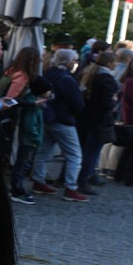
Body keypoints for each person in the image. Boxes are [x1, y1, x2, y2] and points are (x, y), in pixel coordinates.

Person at [30, 49, 88, 202]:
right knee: (75, 155)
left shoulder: (49, 73)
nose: (75, 63)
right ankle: (71, 188)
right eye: (74, 60)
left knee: (43, 151)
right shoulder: (66, 79)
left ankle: (38, 181)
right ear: (67, 62)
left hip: (48, 117)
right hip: (63, 120)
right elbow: (77, 103)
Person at [1, 46, 48, 204]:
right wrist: (32, 103)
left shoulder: (12, 70)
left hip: (6, 117)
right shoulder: (22, 76)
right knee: (21, 155)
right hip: (8, 118)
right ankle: (16, 189)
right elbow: (9, 99)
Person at [75, 50, 118, 195]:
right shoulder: (106, 79)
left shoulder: (90, 73)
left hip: (85, 117)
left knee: (83, 150)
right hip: (98, 120)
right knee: (91, 152)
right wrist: (113, 102)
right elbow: (105, 103)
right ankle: (82, 181)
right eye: (114, 62)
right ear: (109, 63)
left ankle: (74, 178)